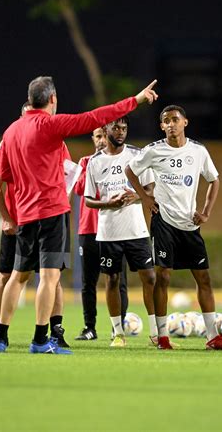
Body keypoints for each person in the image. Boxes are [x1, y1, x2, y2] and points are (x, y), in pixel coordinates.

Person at [0, 76, 158, 354]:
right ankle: (39, 340)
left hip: (24, 215)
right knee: (48, 277)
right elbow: (95, 117)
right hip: (52, 213)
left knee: (17, 277)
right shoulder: (50, 125)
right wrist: (137, 100)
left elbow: (3, 177)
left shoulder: (10, 132)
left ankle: (0, 337)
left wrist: (10, 214)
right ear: (52, 99)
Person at [125, 105, 222, 350]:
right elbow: (130, 170)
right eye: (166, 121)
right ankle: (163, 337)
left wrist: (207, 211)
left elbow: (214, 179)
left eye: (175, 119)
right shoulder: (154, 150)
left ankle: (213, 337)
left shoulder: (198, 151)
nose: (170, 124)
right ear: (161, 126)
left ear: (185, 122)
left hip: (189, 225)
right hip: (163, 221)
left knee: (204, 278)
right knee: (163, 277)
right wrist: (145, 198)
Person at [0, 101, 71, 348]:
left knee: (43, 276)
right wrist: (6, 217)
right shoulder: (14, 138)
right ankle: (10, 333)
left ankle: (52, 333)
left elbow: (68, 172)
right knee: (11, 276)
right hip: (25, 219)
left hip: (34, 216)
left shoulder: (36, 136)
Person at [84, 117, 157, 347]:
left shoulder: (137, 154)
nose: (121, 131)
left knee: (150, 277)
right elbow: (87, 200)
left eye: (124, 127)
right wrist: (109, 204)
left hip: (136, 229)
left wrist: (137, 196)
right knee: (112, 280)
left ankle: (156, 333)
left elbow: (150, 187)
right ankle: (118, 334)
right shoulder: (94, 162)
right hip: (109, 232)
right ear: (105, 130)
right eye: (116, 127)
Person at [74, 128, 130, 341]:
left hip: (116, 229)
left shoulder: (121, 162)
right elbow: (79, 190)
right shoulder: (85, 162)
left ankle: (118, 330)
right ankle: (90, 328)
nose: (101, 140)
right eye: (98, 136)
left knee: (119, 281)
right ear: (93, 139)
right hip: (88, 229)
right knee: (88, 282)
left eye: (104, 136)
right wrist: (90, 165)